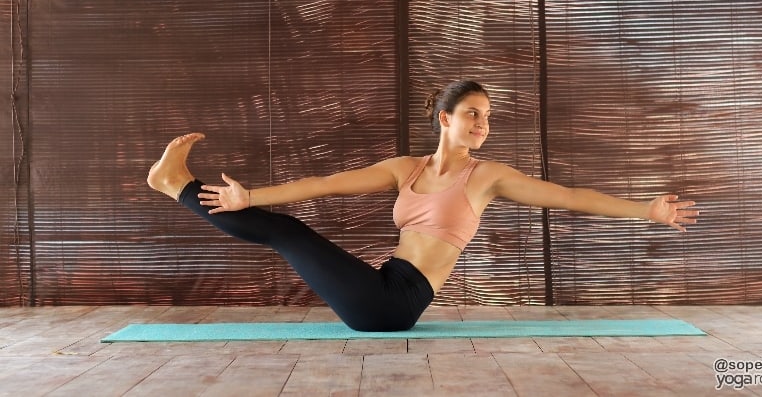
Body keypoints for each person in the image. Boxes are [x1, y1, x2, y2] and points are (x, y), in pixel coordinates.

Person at [147, 80, 698, 332]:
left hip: (395, 304)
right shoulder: (404, 168)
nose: (482, 125)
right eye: (472, 114)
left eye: (486, 117)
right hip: (384, 284)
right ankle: (178, 187)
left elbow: (570, 197)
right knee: (288, 227)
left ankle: (178, 187)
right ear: (445, 118)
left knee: (288, 235)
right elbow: (325, 182)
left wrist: (647, 210)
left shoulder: (489, 178)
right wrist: (251, 196)